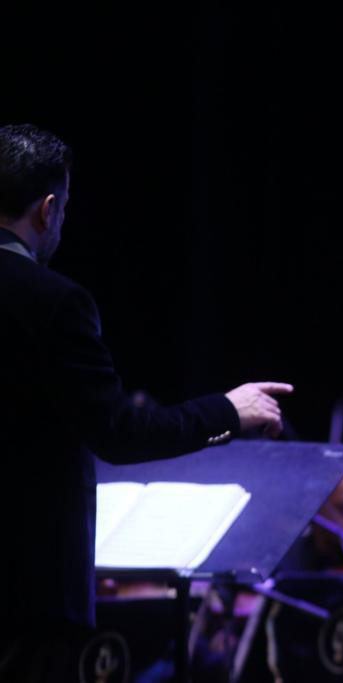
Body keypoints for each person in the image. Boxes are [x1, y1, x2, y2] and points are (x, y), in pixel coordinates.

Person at [0, 123, 292, 681]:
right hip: (26, 594)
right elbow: (118, 432)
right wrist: (229, 411)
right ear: (47, 210)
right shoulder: (52, 302)